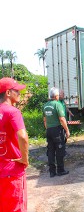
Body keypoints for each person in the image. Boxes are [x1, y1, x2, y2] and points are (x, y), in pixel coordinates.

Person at [0, 77, 29, 212]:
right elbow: (23, 136)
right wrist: (24, 159)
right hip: (12, 172)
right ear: (8, 93)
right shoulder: (12, 112)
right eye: (16, 90)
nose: (19, 93)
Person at [43, 87, 70, 178]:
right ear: (55, 96)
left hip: (49, 130)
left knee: (50, 150)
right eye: (58, 95)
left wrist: (48, 129)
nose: (59, 96)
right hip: (57, 130)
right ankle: (60, 170)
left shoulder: (45, 105)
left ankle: (52, 171)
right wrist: (67, 130)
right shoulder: (57, 104)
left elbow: (45, 120)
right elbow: (62, 119)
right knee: (59, 150)